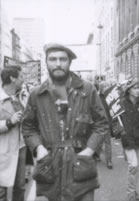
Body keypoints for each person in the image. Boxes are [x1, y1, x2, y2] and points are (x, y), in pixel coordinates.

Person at [22, 43, 109, 201]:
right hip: (50, 166)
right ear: (46, 62)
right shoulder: (36, 94)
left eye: (62, 59)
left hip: (80, 165)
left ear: (69, 62)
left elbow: (101, 124)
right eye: (53, 59)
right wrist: (39, 148)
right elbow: (28, 126)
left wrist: (89, 150)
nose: (58, 63)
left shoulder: (87, 90)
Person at [0, 66, 26, 201]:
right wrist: (9, 122)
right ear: (12, 78)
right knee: (1, 189)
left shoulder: (19, 97)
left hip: (20, 147)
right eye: (21, 76)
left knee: (20, 187)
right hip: (3, 150)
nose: (23, 79)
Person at [95, 81, 113, 169]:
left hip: (107, 123)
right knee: (99, 141)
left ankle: (109, 160)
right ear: (101, 88)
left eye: (107, 86)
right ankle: (97, 153)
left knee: (108, 142)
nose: (107, 88)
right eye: (105, 87)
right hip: (100, 123)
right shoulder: (97, 98)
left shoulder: (110, 98)